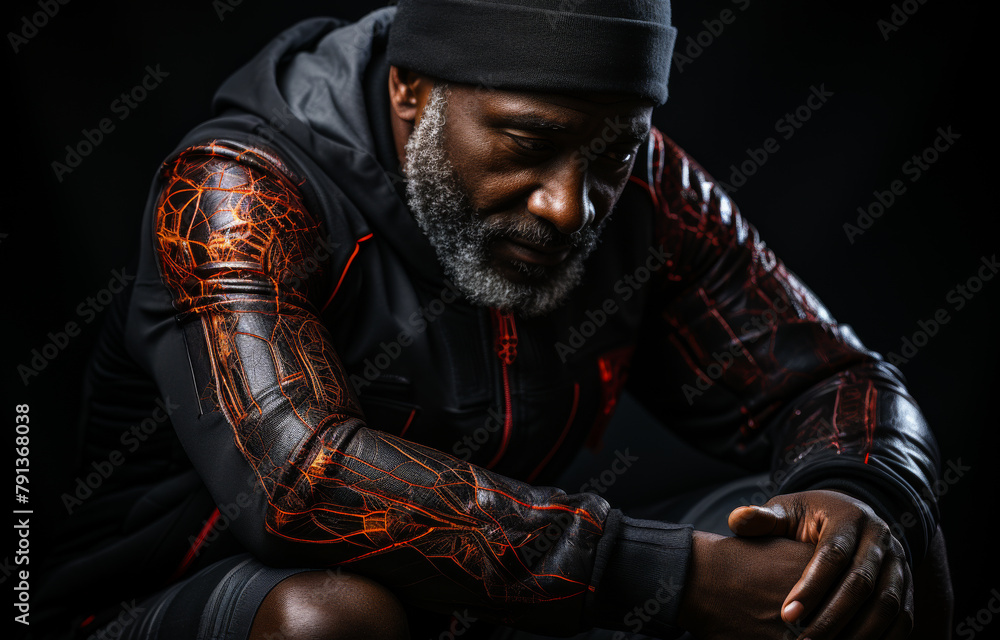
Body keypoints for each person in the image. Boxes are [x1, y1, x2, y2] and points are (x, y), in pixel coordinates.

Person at [34, 1, 952, 639]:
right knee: (329, 621)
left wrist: (854, 501)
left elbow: (840, 381)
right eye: (526, 142)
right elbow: (303, 484)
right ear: (412, 94)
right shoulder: (238, 194)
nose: (568, 206)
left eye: (609, 156)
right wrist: (673, 578)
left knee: (857, 575)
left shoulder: (639, 193)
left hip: (495, 604)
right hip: (166, 607)